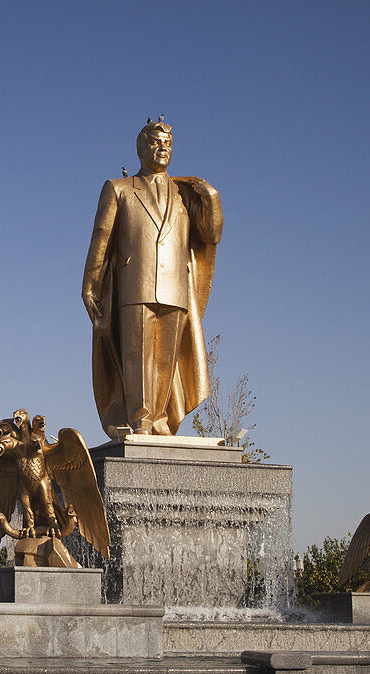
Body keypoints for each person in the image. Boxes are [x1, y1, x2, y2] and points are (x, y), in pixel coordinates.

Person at [82, 119, 223, 437]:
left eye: (168, 144)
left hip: (175, 287)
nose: (163, 149)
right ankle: (140, 418)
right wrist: (90, 284)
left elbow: (210, 235)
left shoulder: (185, 195)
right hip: (135, 283)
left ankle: (160, 418)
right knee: (137, 356)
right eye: (156, 143)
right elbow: (101, 238)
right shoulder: (119, 189)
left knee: (165, 360)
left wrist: (211, 197)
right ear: (140, 148)